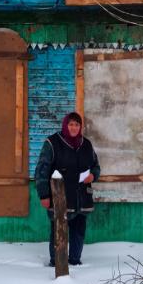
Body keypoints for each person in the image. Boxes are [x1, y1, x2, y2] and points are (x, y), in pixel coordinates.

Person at [34, 112, 101, 266]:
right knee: (59, 231)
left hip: (82, 197)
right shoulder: (52, 143)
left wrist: (93, 176)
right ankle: (57, 262)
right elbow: (41, 170)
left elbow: (95, 166)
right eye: (71, 124)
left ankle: (75, 261)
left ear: (80, 127)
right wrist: (44, 194)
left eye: (77, 125)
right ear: (65, 125)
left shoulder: (86, 144)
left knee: (78, 231)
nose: (74, 127)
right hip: (60, 197)